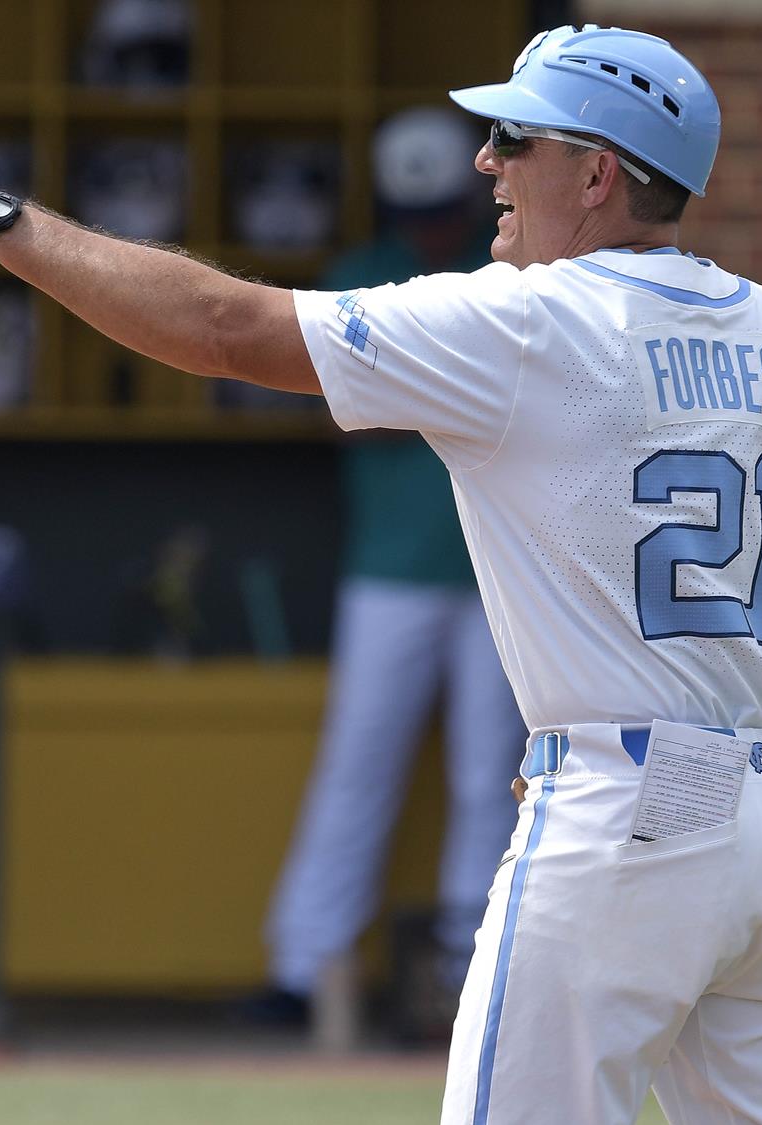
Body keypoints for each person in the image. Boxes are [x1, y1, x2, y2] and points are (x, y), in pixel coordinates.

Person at [0, 21, 762, 1123]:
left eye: (513, 138)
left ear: (596, 175)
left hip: (625, 807)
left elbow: (220, 328)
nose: (485, 160)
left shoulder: (531, 321)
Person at [249, 107, 527, 1034]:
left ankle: (468, 962)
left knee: (494, 775)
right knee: (356, 763)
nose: (431, 230)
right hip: (390, 564)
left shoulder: (506, 277)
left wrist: (417, 393)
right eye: (416, 213)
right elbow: (336, 404)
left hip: (501, 568)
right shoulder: (357, 275)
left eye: (443, 210)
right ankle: (302, 962)